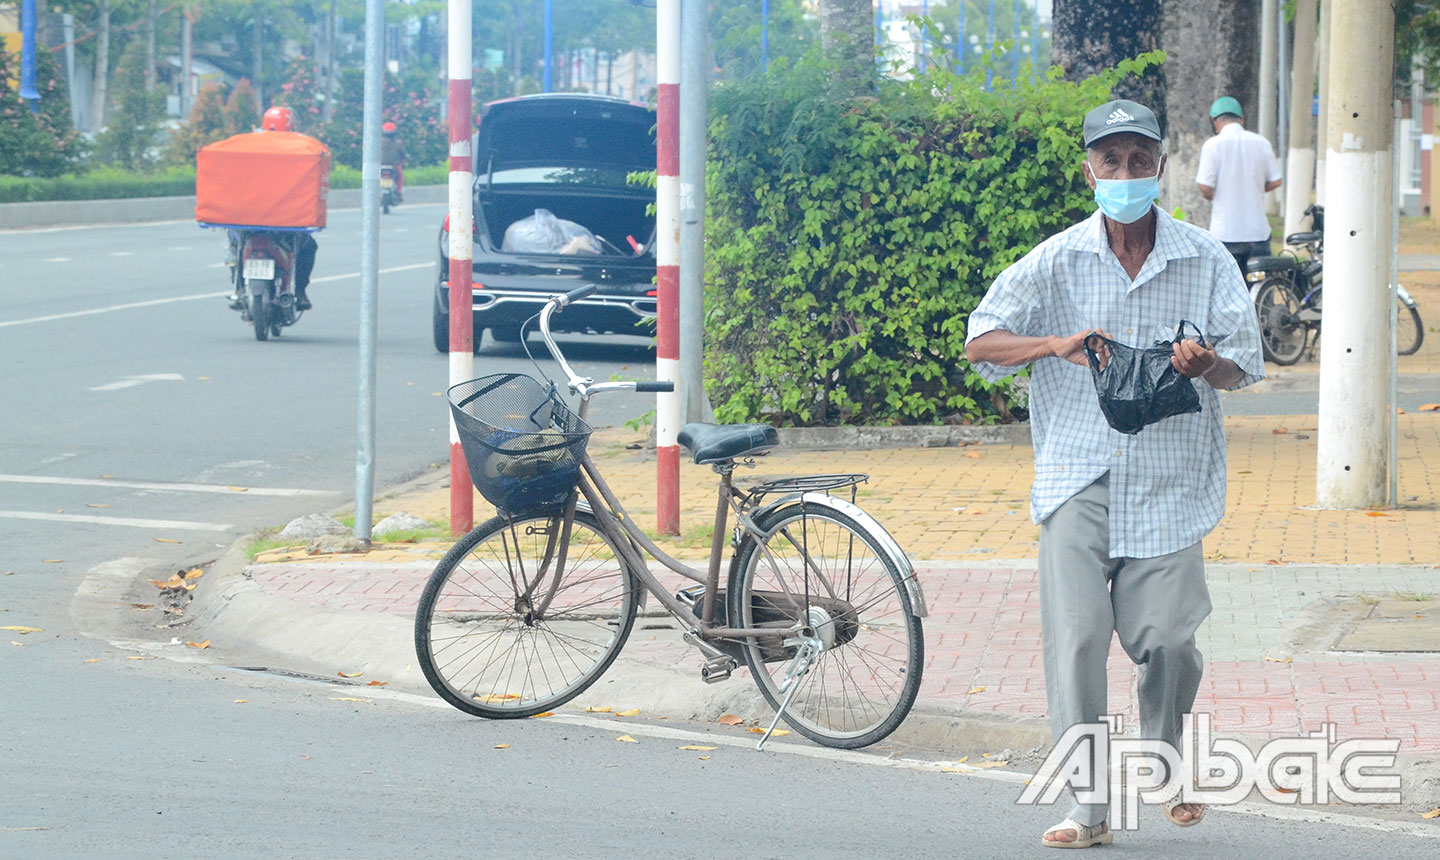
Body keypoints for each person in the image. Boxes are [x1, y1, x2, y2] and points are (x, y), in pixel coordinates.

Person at [964, 99, 1265, 849]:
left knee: (1168, 639)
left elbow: (1245, 368)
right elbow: (981, 340)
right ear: (1089, 170)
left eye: (1139, 160)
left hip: (1171, 479)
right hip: (1077, 473)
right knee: (1075, 641)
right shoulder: (1057, 258)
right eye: (1111, 161)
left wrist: (1209, 364)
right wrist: (1053, 345)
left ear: (1162, 167)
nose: (1125, 174)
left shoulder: (1204, 258)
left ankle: (1162, 758)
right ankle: (1088, 808)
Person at [1195, 96, 1283, 275]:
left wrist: (1213, 194)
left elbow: (1204, 186)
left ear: (1215, 121)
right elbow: (1276, 180)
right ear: (1241, 119)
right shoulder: (1262, 143)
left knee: (1229, 292)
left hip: (1226, 234)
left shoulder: (1212, 146)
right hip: (1257, 233)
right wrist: (1256, 188)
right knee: (1261, 287)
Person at [381, 121, 407, 203]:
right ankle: (399, 192)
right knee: (400, 176)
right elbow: (403, 154)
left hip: (380, 165)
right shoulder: (398, 143)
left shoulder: (378, 142)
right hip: (395, 165)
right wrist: (404, 160)